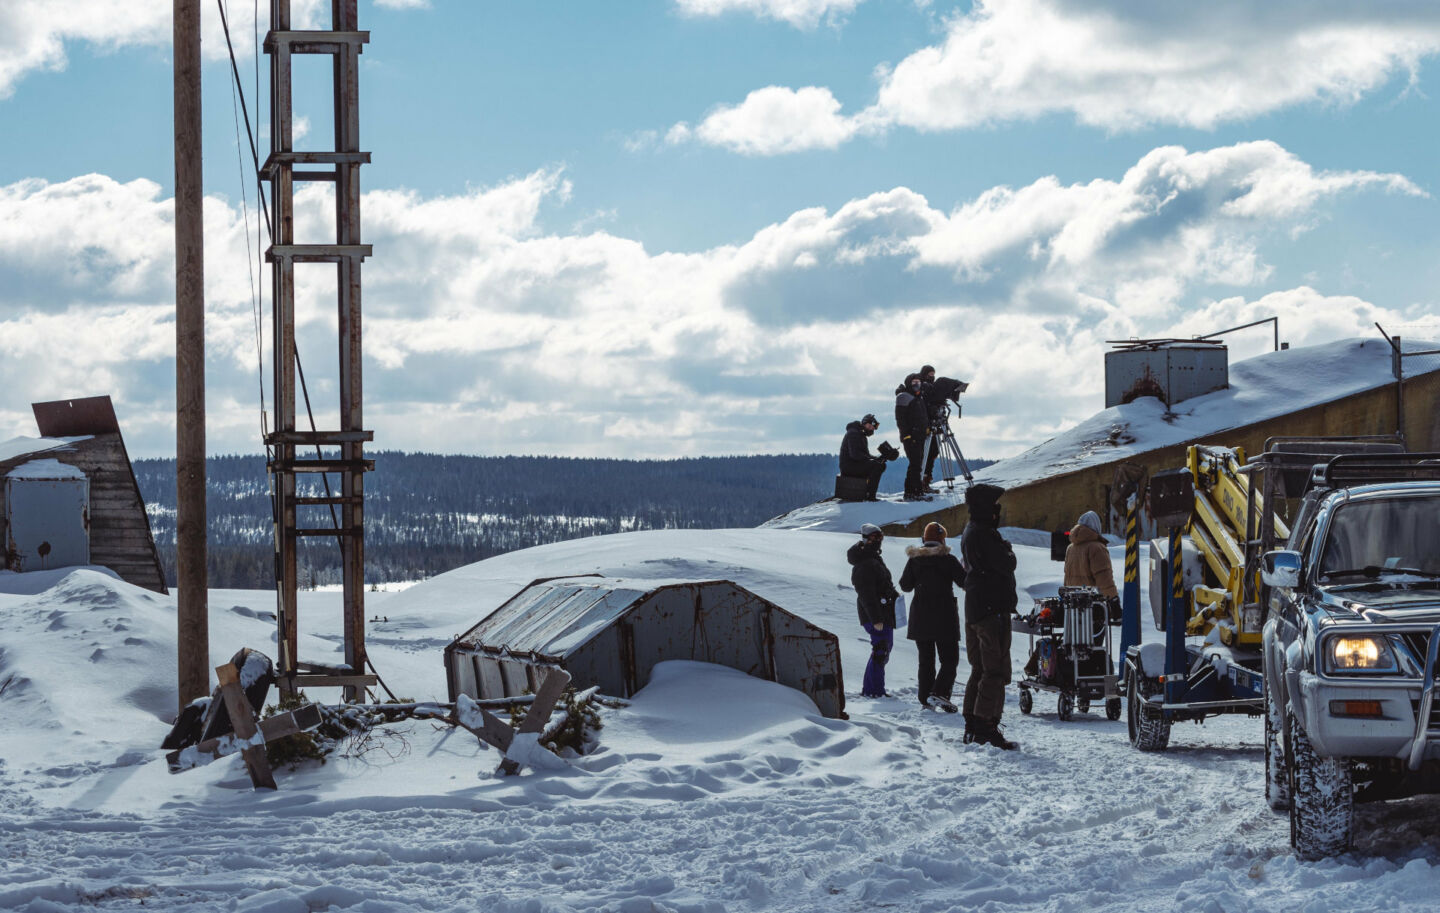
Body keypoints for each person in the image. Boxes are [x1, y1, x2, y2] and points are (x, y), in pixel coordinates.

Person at [960, 484, 1019, 749]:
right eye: (994, 506)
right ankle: (985, 726)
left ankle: (973, 723)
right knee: (994, 670)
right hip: (990, 610)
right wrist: (1006, 547)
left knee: (980, 668)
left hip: (976, 608)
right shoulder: (984, 534)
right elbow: (1006, 563)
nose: (999, 511)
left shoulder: (970, 532)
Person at [899, 521, 966, 712]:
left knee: (925, 660)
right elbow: (964, 582)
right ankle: (940, 693)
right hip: (944, 616)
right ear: (942, 540)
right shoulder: (948, 560)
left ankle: (926, 698)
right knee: (949, 659)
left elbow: (905, 585)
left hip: (920, 617)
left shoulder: (914, 560)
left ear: (924, 539)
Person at [849, 523, 899, 698]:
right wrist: (876, 618)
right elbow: (866, 594)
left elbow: (882, 584)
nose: (878, 541)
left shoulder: (873, 559)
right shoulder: (864, 563)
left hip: (883, 612)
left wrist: (894, 595)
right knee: (881, 649)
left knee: (882, 649)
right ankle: (874, 691)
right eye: (874, 537)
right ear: (865, 539)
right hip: (876, 615)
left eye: (880, 537)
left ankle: (873, 689)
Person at [1064, 510, 1121, 626]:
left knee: (1077, 643)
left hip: (1073, 606)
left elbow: (1067, 577)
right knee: (1095, 642)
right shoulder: (1097, 548)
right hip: (1093, 607)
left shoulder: (1070, 548)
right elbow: (1104, 579)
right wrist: (1114, 601)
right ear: (1096, 526)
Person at [894, 374, 930, 500]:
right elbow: (901, 419)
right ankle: (911, 492)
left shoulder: (919, 397)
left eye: (919, 382)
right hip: (911, 437)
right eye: (914, 382)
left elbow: (923, 417)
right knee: (915, 464)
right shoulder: (904, 396)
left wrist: (926, 428)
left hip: (920, 436)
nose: (917, 384)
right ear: (909, 383)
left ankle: (916, 491)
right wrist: (906, 435)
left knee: (917, 464)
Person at [838, 414, 887, 501]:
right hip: (849, 467)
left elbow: (865, 455)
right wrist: (874, 460)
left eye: (872, 427)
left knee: (880, 464)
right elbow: (855, 455)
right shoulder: (853, 433)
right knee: (877, 466)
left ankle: (868, 493)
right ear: (864, 424)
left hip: (854, 465)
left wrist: (879, 458)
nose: (871, 429)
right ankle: (869, 496)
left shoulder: (861, 435)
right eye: (869, 426)